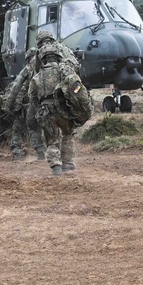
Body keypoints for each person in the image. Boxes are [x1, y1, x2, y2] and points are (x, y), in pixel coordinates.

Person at [26, 32, 88, 177]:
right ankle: (68, 163)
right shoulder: (65, 71)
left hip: (45, 111)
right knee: (67, 134)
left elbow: (32, 97)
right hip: (63, 109)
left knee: (52, 140)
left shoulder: (37, 76)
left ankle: (56, 167)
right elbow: (77, 88)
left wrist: (40, 106)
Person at [3, 47, 47, 161]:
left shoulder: (27, 70)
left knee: (20, 129)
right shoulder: (46, 69)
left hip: (26, 105)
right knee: (43, 128)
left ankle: (17, 152)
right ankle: (43, 152)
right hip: (43, 104)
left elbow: (16, 88)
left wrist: (9, 104)